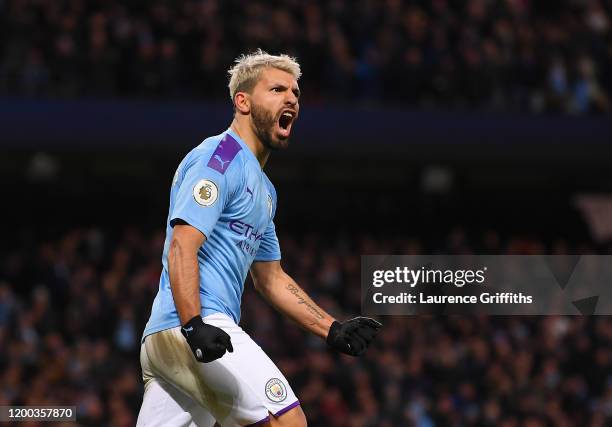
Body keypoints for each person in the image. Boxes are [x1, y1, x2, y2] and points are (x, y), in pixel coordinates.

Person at [136, 50, 382, 427]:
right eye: (277, 89)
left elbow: (270, 278)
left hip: (172, 338)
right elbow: (182, 244)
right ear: (243, 101)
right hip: (191, 325)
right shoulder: (219, 158)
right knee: (288, 421)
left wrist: (331, 328)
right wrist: (193, 325)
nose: (292, 99)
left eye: (296, 93)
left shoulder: (264, 190)